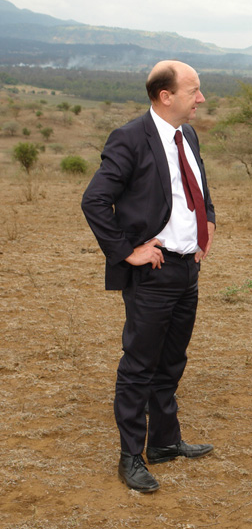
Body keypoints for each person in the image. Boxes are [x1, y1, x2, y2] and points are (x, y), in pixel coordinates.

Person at [82, 60, 216, 492]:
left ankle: (164, 441)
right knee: (139, 365)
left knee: (172, 360)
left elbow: (199, 189)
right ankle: (130, 456)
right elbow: (95, 200)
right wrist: (127, 251)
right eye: (193, 91)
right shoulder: (129, 138)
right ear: (166, 96)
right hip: (153, 273)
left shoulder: (187, 135)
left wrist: (207, 222)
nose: (200, 98)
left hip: (187, 268)